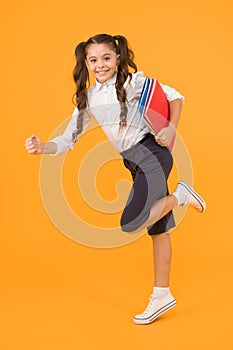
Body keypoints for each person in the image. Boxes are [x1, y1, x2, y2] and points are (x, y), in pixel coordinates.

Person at [25, 34, 206, 325]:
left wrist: (171, 128)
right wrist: (43, 146)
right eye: (93, 60)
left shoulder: (132, 83)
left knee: (131, 222)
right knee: (158, 229)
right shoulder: (88, 99)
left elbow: (175, 96)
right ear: (85, 63)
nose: (100, 65)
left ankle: (181, 196)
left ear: (118, 58)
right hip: (133, 162)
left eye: (106, 58)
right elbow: (68, 138)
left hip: (151, 153)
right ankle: (162, 295)